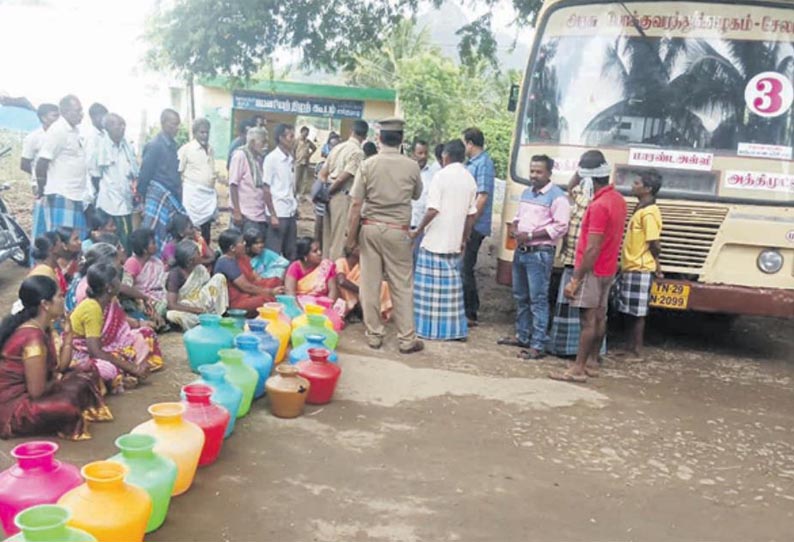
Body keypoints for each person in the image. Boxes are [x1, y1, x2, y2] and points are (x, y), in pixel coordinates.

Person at [345, 118, 424, 354]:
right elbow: (417, 195)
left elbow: (356, 203)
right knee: (402, 284)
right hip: (398, 230)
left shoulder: (368, 165)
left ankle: (374, 335)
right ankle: (407, 338)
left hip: (370, 227)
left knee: (369, 283)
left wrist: (351, 238)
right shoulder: (412, 166)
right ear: (401, 140)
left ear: (379, 138)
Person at [0, 276, 110, 440]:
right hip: (15, 408)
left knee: (87, 371)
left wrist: (69, 334)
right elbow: (37, 392)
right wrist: (60, 380)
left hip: (39, 390)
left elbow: (61, 367)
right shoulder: (32, 338)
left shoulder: (42, 327)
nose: (63, 299)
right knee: (67, 405)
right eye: (59, 296)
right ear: (45, 304)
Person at [550, 150, 627, 383]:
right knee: (600, 317)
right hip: (608, 268)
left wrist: (576, 278)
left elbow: (592, 247)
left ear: (588, 178)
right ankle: (592, 362)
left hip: (592, 270)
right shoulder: (618, 200)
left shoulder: (599, 206)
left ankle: (578, 368)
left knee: (587, 321)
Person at [498, 155, 570, 359]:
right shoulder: (526, 192)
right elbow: (518, 217)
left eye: (538, 172)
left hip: (539, 253)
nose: (533, 175)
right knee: (521, 296)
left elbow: (561, 226)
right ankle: (523, 335)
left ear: (549, 173)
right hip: (522, 252)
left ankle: (538, 344)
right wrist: (514, 227)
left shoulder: (557, 197)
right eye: (532, 171)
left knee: (538, 299)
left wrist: (529, 235)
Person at [410, 140, 478, 341]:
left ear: (445, 156)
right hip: (454, 242)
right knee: (450, 293)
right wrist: (464, 237)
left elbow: (433, 209)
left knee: (428, 293)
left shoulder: (440, 177)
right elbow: (471, 215)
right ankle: (451, 331)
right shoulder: (469, 179)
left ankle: (427, 330)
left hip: (434, 240)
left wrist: (418, 231)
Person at [71, 263, 163, 393]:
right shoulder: (92, 308)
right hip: (83, 353)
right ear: (109, 287)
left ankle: (129, 373)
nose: (120, 283)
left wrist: (140, 323)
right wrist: (132, 368)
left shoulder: (109, 300)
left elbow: (121, 324)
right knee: (107, 369)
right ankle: (127, 375)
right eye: (117, 280)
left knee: (146, 334)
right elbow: (95, 352)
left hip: (108, 345)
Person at [548, 170, 602, 357]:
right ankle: (571, 349)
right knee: (579, 309)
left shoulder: (588, 206)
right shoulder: (587, 204)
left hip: (578, 264)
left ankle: (571, 350)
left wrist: (580, 172)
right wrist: (582, 172)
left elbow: (571, 187)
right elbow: (572, 188)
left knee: (578, 310)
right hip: (577, 262)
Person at [613, 170, 663, 361]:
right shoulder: (641, 209)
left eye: (637, 183)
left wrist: (656, 264)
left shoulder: (649, 212)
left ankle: (637, 352)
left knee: (637, 313)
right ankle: (628, 348)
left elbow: (654, 243)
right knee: (629, 310)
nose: (633, 186)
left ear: (648, 188)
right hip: (631, 266)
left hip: (640, 267)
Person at [35, 95, 89, 239]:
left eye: (81, 111)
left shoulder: (76, 131)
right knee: (62, 241)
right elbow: (42, 162)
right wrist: (42, 189)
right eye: (77, 111)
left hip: (76, 195)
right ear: (65, 112)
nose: (81, 114)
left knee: (76, 240)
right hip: (61, 194)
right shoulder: (58, 130)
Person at [87, 113, 137, 253]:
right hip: (110, 202)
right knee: (111, 239)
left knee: (126, 239)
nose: (122, 128)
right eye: (118, 124)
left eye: (123, 124)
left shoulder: (126, 146)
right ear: (108, 127)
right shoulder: (100, 148)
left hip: (124, 200)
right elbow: (95, 175)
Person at [462, 127, 496, 327]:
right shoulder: (473, 163)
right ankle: (469, 309)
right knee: (465, 267)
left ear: (470, 143)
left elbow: (482, 196)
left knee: (466, 267)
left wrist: (470, 223)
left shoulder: (483, 164)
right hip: (470, 223)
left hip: (475, 225)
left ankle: (470, 312)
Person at [319, 120, 367, 261]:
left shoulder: (338, 148)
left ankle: (325, 273)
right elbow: (343, 178)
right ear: (364, 136)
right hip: (342, 196)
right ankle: (335, 275)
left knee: (327, 239)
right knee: (339, 240)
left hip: (329, 196)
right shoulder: (358, 153)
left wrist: (325, 191)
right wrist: (330, 191)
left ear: (351, 130)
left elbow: (323, 173)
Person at [139, 109, 186, 250]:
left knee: (169, 231)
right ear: (163, 123)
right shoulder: (155, 145)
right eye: (173, 124)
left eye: (178, 124)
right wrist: (142, 199)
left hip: (171, 195)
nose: (176, 128)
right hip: (158, 194)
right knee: (154, 232)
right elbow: (144, 174)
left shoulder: (173, 145)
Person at [21, 103, 59, 260]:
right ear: (43, 118)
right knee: (40, 226)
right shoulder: (33, 138)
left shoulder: (59, 136)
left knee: (53, 226)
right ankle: (35, 260)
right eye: (54, 115)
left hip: (58, 186)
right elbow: (24, 163)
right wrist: (38, 178)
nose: (57, 119)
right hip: (42, 187)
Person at [215, 229, 283, 315]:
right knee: (268, 300)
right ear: (232, 248)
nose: (245, 244)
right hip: (236, 301)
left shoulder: (241, 257)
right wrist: (270, 292)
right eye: (242, 242)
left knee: (275, 281)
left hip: (248, 292)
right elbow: (246, 287)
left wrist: (269, 285)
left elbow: (255, 278)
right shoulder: (226, 262)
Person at [165, 240, 229, 330]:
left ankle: (216, 315)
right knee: (172, 315)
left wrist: (201, 307)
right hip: (184, 307)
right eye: (198, 254)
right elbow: (172, 305)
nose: (201, 255)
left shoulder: (200, 268)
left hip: (200, 302)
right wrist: (195, 310)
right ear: (190, 261)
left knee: (219, 277)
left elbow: (207, 289)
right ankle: (202, 321)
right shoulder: (175, 275)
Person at [229, 127, 279, 237]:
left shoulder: (259, 158)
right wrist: (237, 211)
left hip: (258, 213)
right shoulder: (240, 155)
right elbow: (233, 184)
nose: (266, 145)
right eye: (263, 142)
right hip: (245, 214)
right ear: (252, 142)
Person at [179, 118, 217, 245]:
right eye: (202, 132)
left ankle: (205, 253)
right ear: (195, 133)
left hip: (207, 196)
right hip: (193, 196)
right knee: (190, 226)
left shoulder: (211, 149)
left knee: (206, 228)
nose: (205, 135)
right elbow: (179, 171)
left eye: (207, 132)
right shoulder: (186, 149)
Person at [263, 124, 298, 259]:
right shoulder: (272, 159)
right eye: (291, 136)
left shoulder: (290, 159)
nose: (293, 140)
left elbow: (289, 187)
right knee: (273, 251)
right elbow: (266, 189)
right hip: (278, 211)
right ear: (281, 138)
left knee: (290, 250)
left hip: (289, 210)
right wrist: (272, 214)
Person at [335, 245, 391, 322]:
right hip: (346, 295)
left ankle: (374, 312)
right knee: (344, 285)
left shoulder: (362, 265)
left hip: (360, 295)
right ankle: (353, 311)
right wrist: (362, 291)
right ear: (351, 249)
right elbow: (341, 281)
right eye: (359, 247)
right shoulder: (341, 261)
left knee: (384, 285)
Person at [410, 139, 442, 265]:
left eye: (425, 153)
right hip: (406, 225)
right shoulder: (406, 171)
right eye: (420, 153)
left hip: (423, 227)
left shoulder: (435, 173)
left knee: (419, 262)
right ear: (413, 154)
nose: (423, 156)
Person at [123, 228, 168, 317]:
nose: (156, 245)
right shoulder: (132, 262)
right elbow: (126, 287)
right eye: (153, 243)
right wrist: (144, 298)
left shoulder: (156, 261)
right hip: (142, 300)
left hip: (159, 296)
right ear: (144, 249)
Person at [84, 103, 108, 202]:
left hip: (103, 179)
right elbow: (88, 163)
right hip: (94, 179)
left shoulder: (104, 135)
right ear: (94, 117)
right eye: (103, 117)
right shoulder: (90, 136)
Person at [293, 126, 317, 196]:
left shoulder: (308, 141)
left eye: (307, 133)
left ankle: (302, 193)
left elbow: (314, 148)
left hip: (306, 162)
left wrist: (310, 154)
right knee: (296, 179)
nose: (306, 134)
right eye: (305, 133)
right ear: (301, 132)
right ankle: (295, 192)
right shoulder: (296, 141)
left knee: (304, 179)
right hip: (298, 162)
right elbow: (293, 150)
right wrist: (294, 158)